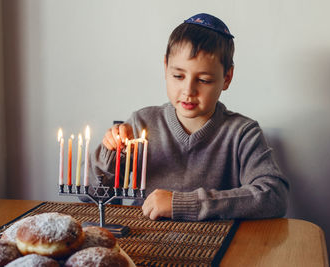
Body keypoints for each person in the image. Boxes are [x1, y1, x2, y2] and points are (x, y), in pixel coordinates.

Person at [91, 13, 289, 221]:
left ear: (227, 78)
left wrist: (183, 204)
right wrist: (111, 155)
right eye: (178, 76)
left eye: (203, 80)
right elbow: (95, 198)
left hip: (215, 246)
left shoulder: (242, 133)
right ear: (165, 67)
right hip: (143, 242)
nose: (188, 90)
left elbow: (274, 196)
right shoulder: (141, 123)